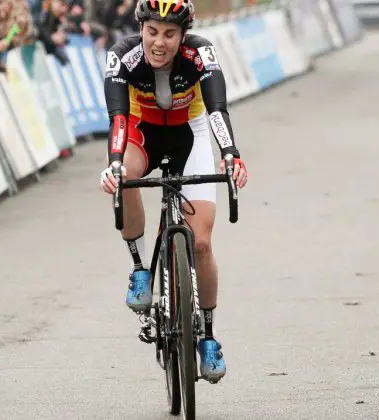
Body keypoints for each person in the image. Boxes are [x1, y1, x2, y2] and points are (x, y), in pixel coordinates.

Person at [99, 0, 248, 384]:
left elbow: (217, 110)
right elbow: (117, 119)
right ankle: (139, 269)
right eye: (152, 32)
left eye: (169, 34)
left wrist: (230, 154)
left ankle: (209, 337)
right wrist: (114, 162)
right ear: (141, 29)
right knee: (126, 175)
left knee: (200, 244)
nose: (159, 43)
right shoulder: (123, 56)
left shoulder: (201, 53)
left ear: (183, 36)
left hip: (190, 134)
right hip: (142, 132)